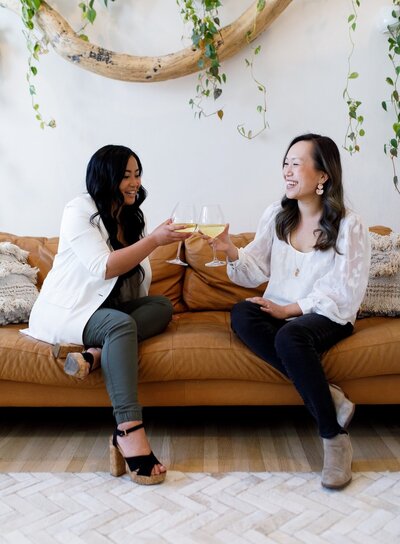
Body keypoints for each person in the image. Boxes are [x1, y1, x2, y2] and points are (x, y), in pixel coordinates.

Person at [23, 144, 192, 486]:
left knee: (161, 306)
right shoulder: (79, 210)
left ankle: (95, 355)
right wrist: (156, 241)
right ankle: (128, 429)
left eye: (137, 174)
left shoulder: (131, 216)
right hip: (72, 310)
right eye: (125, 175)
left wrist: (149, 237)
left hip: (108, 310)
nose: (134, 182)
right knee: (120, 325)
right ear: (105, 178)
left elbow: (136, 278)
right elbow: (103, 267)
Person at [209, 133, 371, 489]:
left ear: (323, 175)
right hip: (282, 309)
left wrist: (290, 310)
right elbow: (255, 269)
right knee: (242, 313)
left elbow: (345, 291)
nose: (287, 171)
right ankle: (330, 397)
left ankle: (333, 438)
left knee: (290, 334)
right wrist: (231, 251)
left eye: (296, 163)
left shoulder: (349, 224)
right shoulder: (277, 214)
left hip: (326, 315)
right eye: (285, 163)